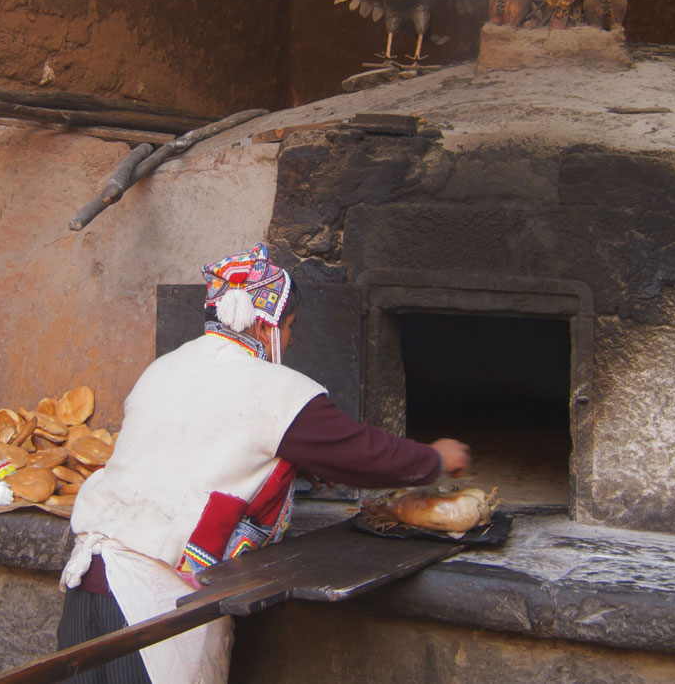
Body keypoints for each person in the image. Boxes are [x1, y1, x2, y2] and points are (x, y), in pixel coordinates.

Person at [58, 243, 469, 684]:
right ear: (264, 323)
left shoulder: (163, 368)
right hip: (149, 605)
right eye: (289, 326)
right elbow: (362, 453)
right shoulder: (273, 389)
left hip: (84, 587)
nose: (291, 340)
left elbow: (205, 446)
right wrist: (434, 459)